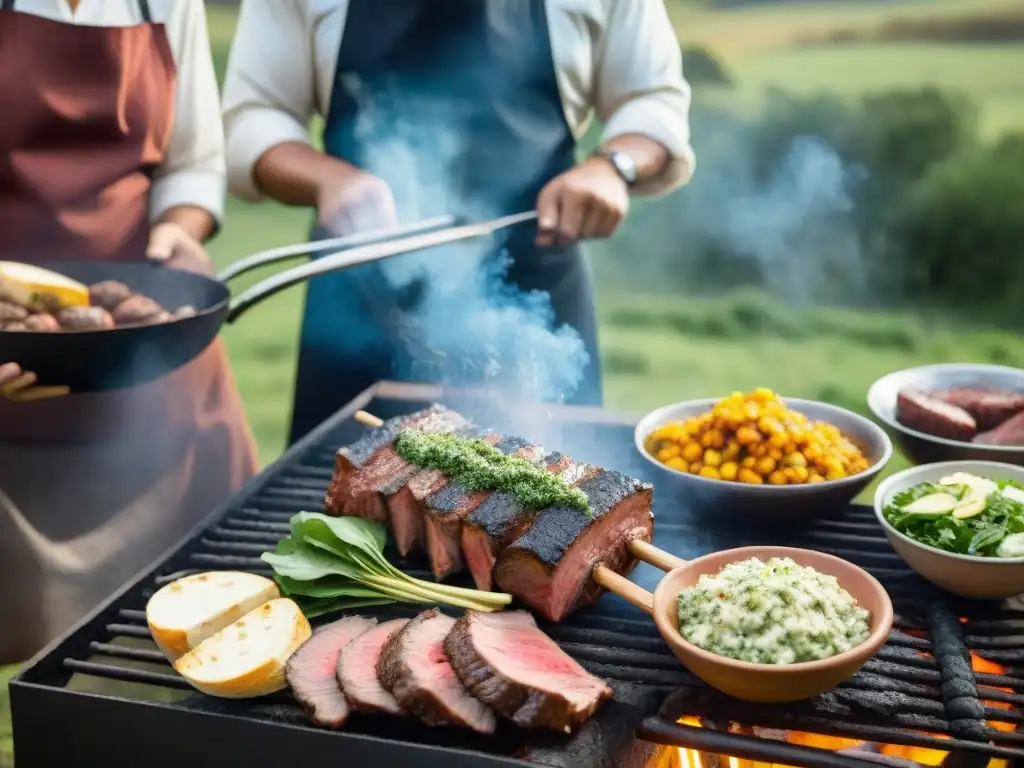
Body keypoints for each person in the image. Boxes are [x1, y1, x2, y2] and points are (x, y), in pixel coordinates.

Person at [223, 0, 695, 444]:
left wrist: (612, 167)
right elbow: (255, 115)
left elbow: (653, 99)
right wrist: (327, 180)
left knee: (558, 512)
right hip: (359, 299)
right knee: (338, 513)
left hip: (537, 298)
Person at [0, 0, 258, 664]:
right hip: (13, 354)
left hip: (154, 354)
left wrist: (180, 229)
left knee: (196, 632)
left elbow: (195, 163)